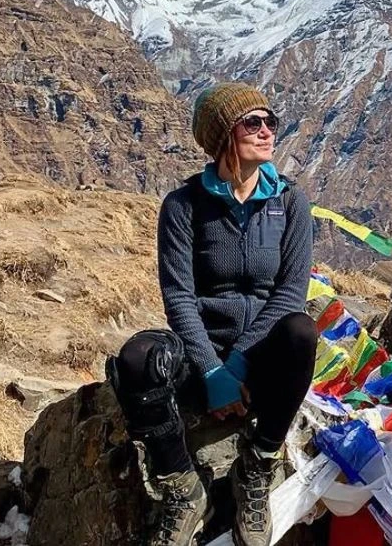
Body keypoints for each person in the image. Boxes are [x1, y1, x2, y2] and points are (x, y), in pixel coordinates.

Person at [107, 83, 317, 546]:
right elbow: (178, 297)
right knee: (138, 358)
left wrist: (238, 364)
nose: (267, 132)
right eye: (253, 123)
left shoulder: (290, 203)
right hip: (204, 351)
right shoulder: (182, 207)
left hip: (261, 356)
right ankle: (182, 489)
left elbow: (289, 295)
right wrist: (211, 370)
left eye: (270, 122)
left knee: (301, 332)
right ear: (224, 134)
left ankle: (257, 463)